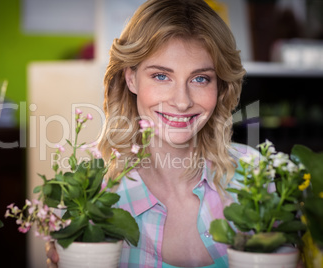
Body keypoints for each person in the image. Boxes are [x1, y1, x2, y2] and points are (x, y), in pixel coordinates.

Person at [47, 0, 256, 267]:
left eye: (200, 78)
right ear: (131, 78)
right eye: (161, 76)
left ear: (221, 85)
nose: (182, 101)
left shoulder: (261, 174)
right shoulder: (87, 193)